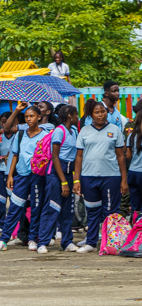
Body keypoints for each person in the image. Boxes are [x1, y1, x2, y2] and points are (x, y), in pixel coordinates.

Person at [69, 101, 128, 254]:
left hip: (111, 176)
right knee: (92, 210)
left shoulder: (115, 130)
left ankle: (112, 243)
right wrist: (76, 179)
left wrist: (124, 179)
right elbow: (79, 156)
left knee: (111, 212)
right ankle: (91, 242)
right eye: (97, 112)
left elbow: (121, 156)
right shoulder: (85, 131)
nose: (101, 114)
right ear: (91, 115)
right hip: (88, 177)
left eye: (103, 111)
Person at [36, 105, 77, 253]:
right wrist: (63, 182)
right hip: (56, 174)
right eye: (76, 114)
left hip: (68, 172)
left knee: (67, 209)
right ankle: (43, 242)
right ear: (69, 115)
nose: (78, 117)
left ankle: (67, 241)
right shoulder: (59, 131)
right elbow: (55, 157)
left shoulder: (74, 132)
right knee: (52, 207)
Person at [125, 99, 142, 215]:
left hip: (132, 172)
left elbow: (128, 155)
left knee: (135, 205)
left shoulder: (131, 135)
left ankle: (135, 226)